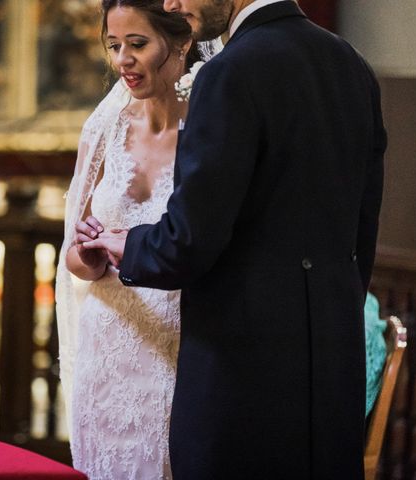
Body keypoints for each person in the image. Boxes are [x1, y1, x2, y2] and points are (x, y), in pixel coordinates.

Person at [83, 0, 387, 478]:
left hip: (242, 375)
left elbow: (190, 239)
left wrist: (129, 244)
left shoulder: (230, 72)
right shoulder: (350, 64)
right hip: (330, 372)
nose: (171, 3)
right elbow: (362, 229)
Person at [55, 1, 201, 478]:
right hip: (105, 342)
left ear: (181, 42)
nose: (123, 60)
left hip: (174, 344)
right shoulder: (107, 126)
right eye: (115, 46)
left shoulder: (209, 127)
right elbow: (73, 256)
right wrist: (87, 253)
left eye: (138, 44)